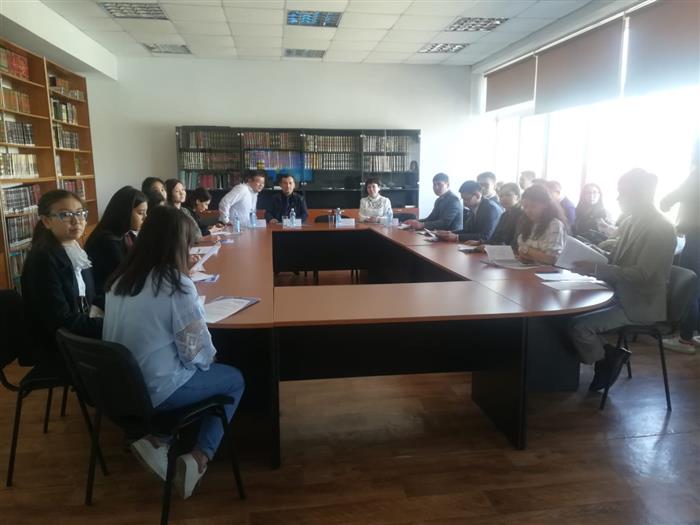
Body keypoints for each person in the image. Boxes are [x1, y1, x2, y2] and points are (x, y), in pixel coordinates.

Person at [103, 206, 245, 500]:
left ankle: (159, 439)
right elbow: (194, 352)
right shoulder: (174, 284)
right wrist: (212, 359)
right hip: (157, 390)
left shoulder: (120, 279)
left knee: (183, 365)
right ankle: (199, 459)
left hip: (120, 389)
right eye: (189, 245)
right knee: (233, 379)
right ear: (177, 246)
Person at [570, 169, 676, 391]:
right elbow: (618, 259)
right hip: (618, 292)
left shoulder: (661, 228)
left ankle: (606, 359)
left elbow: (642, 274)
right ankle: (610, 354)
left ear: (642, 194)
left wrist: (597, 268)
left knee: (579, 327)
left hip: (639, 302)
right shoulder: (630, 222)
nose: (618, 198)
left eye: (623, 193)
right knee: (567, 314)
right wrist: (591, 254)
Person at [20, 189, 102, 371]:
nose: (76, 221)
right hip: (58, 344)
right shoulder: (42, 259)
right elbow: (59, 319)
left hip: (77, 329)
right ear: (46, 221)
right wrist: (105, 325)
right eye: (66, 215)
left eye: (80, 213)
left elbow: (90, 297)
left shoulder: (75, 249)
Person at [660, 142, 700, 354]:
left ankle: (685, 338)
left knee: (690, 284)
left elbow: (667, 201)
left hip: (696, 236)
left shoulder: (697, 174)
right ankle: (696, 333)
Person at [85, 186, 147, 300]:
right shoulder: (106, 241)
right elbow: (127, 274)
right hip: (108, 298)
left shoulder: (126, 234)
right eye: (140, 213)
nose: (145, 217)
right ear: (125, 212)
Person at [516, 184, 568, 265]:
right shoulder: (528, 222)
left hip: (547, 271)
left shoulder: (555, 225)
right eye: (525, 207)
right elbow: (521, 252)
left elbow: (551, 259)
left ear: (546, 205)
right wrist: (534, 254)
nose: (528, 210)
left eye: (533, 206)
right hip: (529, 267)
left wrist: (527, 249)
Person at [436, 180, 502, 242]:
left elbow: (485, 236)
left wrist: (457, 237)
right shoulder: (473, 206)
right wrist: (449, 233)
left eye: (467, 199)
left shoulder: (491, 209)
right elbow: (468, 230)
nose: (464, 203)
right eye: (463, 199)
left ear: (478, 195)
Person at [483, 182, 524, 247]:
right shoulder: (504, 215)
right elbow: (495, 238)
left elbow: (515, 243)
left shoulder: (522, 215)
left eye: (508, 195)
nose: (503, 198)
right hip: (499, 250)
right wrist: (481, 243)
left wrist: (489, 247)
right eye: (501, 196)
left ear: (518, 197)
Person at [165, 179, 202, 243]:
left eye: (183, 190)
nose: (182, 193)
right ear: (169, 194)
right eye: (177, 191)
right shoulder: (167, 212)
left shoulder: (185, 210)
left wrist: (198, 238)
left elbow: (197, 231)